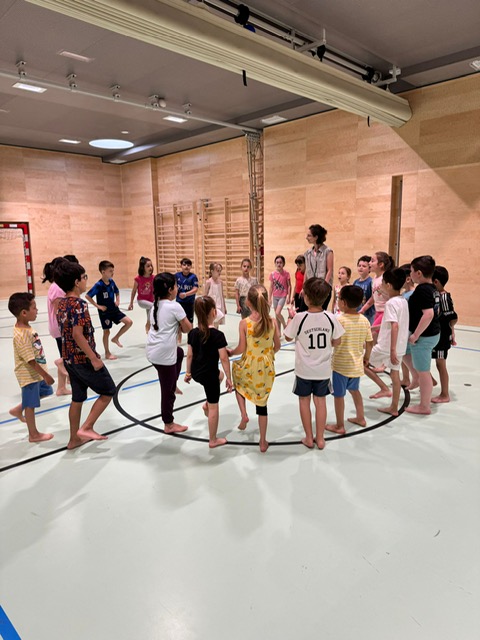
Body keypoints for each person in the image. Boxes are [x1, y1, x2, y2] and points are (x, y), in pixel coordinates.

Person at [55, 261, 117, 449]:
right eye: (84, 277)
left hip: (69, 359)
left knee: (78, 398)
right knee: (109, 391)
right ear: (76, 282)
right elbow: (77, 334)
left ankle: (74, 439)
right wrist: (94, 358)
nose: (86, 280)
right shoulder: (79, 305)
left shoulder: (61, 303)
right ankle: (87, 427)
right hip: (83, 358)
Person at [284, 278, 344, 449]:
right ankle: (321, 439)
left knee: (304, 401)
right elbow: (337, 341)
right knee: (321, 402)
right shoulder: (331, 317)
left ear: (306, 298)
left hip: (304, 370)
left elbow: (287, 337)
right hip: (323, 370)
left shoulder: (300, 317)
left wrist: (290, 317)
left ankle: (309, 438)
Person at [228, 284, 280, 452]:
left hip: (249, 364)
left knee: (238, 381)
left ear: (248, 302)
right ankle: (263, 441)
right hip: (266, 367)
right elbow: (277, 346)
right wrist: (267, 354)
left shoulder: (244, 323)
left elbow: (241, 348)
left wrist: (231, 352)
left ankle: (244, 414)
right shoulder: (272, 322)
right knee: (262, 404)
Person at [146, 273, 192, 433]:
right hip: (164, 355)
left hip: (152, 351)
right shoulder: (175, 306)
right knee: (167, 393)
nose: (178, 288)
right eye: (176, 286)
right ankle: (169, 424)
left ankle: (173, 383)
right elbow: (188, 328)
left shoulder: (155, 305)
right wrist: (180, 324)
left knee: (179, 352)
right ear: (171, 289)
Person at [184, 296, 233, 447]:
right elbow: (224, 358)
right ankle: (213, 440)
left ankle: (206, 403)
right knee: (214, 406)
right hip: (209, 375)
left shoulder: (192, 333)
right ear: (213, 312)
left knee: (220, 375)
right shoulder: (218, 335)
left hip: (196, 372)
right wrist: (229, 378)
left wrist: (188, 373)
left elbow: (190, 355)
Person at [326, 285, 373, 434]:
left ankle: (340, 425)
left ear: (344, 303)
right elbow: (369, 342)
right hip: (356, 365)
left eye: (339, 299)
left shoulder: (339, 320)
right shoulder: (364, 320)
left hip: (341, 366)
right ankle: (361, 417)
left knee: (339, 396)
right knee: (355, 390)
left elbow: (333, 341)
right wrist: (367, 357)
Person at [8, 292, 55, 442]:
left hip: (36, 373)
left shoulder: (26, 327)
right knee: (31, 405)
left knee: (46, 391)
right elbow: (30, 361)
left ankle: (18, 409)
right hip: (28, 374)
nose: (37, 310)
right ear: (24, 313)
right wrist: (46, 375)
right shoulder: (21, 335)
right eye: (34, 308)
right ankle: (33, 435)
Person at [368, 268, 410, 416]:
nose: (381, 285)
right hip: (400, 346)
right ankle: (394, 407)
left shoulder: (391, 303)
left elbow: (395, 325)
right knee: (395, 374)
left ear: (389, 285)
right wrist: (375, 327)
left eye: (383, 283)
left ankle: (384, 388)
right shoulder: (403, 301)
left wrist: (392, 350)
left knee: (362, 363)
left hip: (387, 346)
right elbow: (393, 323)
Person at [402, 255, 441, 415]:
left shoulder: (423, 290)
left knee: (424, 372)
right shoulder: (433, 289)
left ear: (418, 273)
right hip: (430, 334)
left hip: (424, 337)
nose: (410, 274)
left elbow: (428, 314)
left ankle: (424, 406)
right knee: (406, 352)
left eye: (411, 271)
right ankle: (416, 379)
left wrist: (416, 335)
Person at [86, 260, 133, 360]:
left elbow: (117, 291)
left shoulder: (111, 282)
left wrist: (117, 300)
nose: (113, 273)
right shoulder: (99, 285)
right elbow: (88, 296)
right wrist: (98, 306)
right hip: (105, 312)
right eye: (110, 271)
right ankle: (107, 353)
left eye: (113, 270)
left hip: (114, 309)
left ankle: (116, 338)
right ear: (103, 272)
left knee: (129, 322)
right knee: (106, 332)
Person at [42, 256, 70, 395]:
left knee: (65, 353)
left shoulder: (56, 286)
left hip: (58, 327)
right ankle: (63, 365)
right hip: (60, 328)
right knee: (66, 355)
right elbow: (60, 310)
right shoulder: (57, 287)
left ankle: (61, 387)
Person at [431, 266, 458, 403]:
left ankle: (445, 394)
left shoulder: (444, 297)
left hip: (442, 337)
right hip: (436, 335)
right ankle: (431, 381)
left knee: (440, 364)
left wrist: (451, 331)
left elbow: (452, 317)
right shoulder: (436, 295)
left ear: (436, 281)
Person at [359, 251, 394, 340]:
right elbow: (373, 297)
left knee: (372, 335)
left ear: (381, 264)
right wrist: (363, 309)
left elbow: (392, 296)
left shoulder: (385, 278)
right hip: (377, 311)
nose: (369, 263)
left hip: (385, 311)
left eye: (372, 261)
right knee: (374, 337)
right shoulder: (374, 279)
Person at [304, 224, 334, 309]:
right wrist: (304, 286)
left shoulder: (327, 251)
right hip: (311, 288)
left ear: (316, 237)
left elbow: (329, 270)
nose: (307, 238)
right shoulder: (308, 253)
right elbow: (307, 270)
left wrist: (324, 286)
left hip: (323, 287)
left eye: (309, 235)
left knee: (320, 310)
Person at [128, 256, 155, 333]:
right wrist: (131, 303)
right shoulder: (138, 279)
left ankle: (149, 331)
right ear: (143, 268)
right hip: (142, 301)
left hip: (151, 300)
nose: (150, 268)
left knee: (150, 314)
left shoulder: (153, 277)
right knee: (153, 307)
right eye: (148, 266)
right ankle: (148, 324)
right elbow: (133, 291)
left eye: (151, 265)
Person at [399, 263, 415, 386]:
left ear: (408, 279)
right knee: (403, 355)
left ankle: (421, 378)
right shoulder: (404, 294)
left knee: (408, 356)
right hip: (404, 329)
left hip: (409, 330)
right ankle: (406, 378)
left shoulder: (412, 295)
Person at [268, 255, 291, 335]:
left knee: (278, 313)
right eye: (277, 262)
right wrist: (269, 298)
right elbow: (271, 287)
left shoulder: (286, 274)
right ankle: (278, 333)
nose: (279, 264)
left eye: (280, 262)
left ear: (283, 263)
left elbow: (289, 286)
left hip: (282, 296)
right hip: (275, 296)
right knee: (276, 315)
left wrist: (288, 296)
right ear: (275, 263)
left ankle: (285, 325)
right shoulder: (272, 274)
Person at [175, 257, 199, 325]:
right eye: (184, 265)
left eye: (188, 265)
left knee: (190, 322)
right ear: (181, 266)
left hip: (189, 303)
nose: (186, 267)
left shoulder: (193, 277)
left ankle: (190, 332)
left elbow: (195, 289)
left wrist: (185, 294)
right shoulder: (177, 276)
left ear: (191, 267)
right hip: (179, 303)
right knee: (178, 322)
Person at [353, 255, 375, 325]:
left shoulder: (371, 282)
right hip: (357, 312)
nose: (361, 268)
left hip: (369, 314)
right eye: (359, 266)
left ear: (369, 269)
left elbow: (373, 298)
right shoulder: (356, 282)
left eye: (364, 266)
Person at [204, 262, 227, 327]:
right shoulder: (208, 282)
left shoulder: (220, 282)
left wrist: (224, 307)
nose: (219, 272)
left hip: (219, 305)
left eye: (220, 271)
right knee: (212, 322)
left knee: (217, 323)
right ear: (212, 271)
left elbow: (222, 295)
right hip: (211, 305)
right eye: (217, 271)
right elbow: (205, 295)